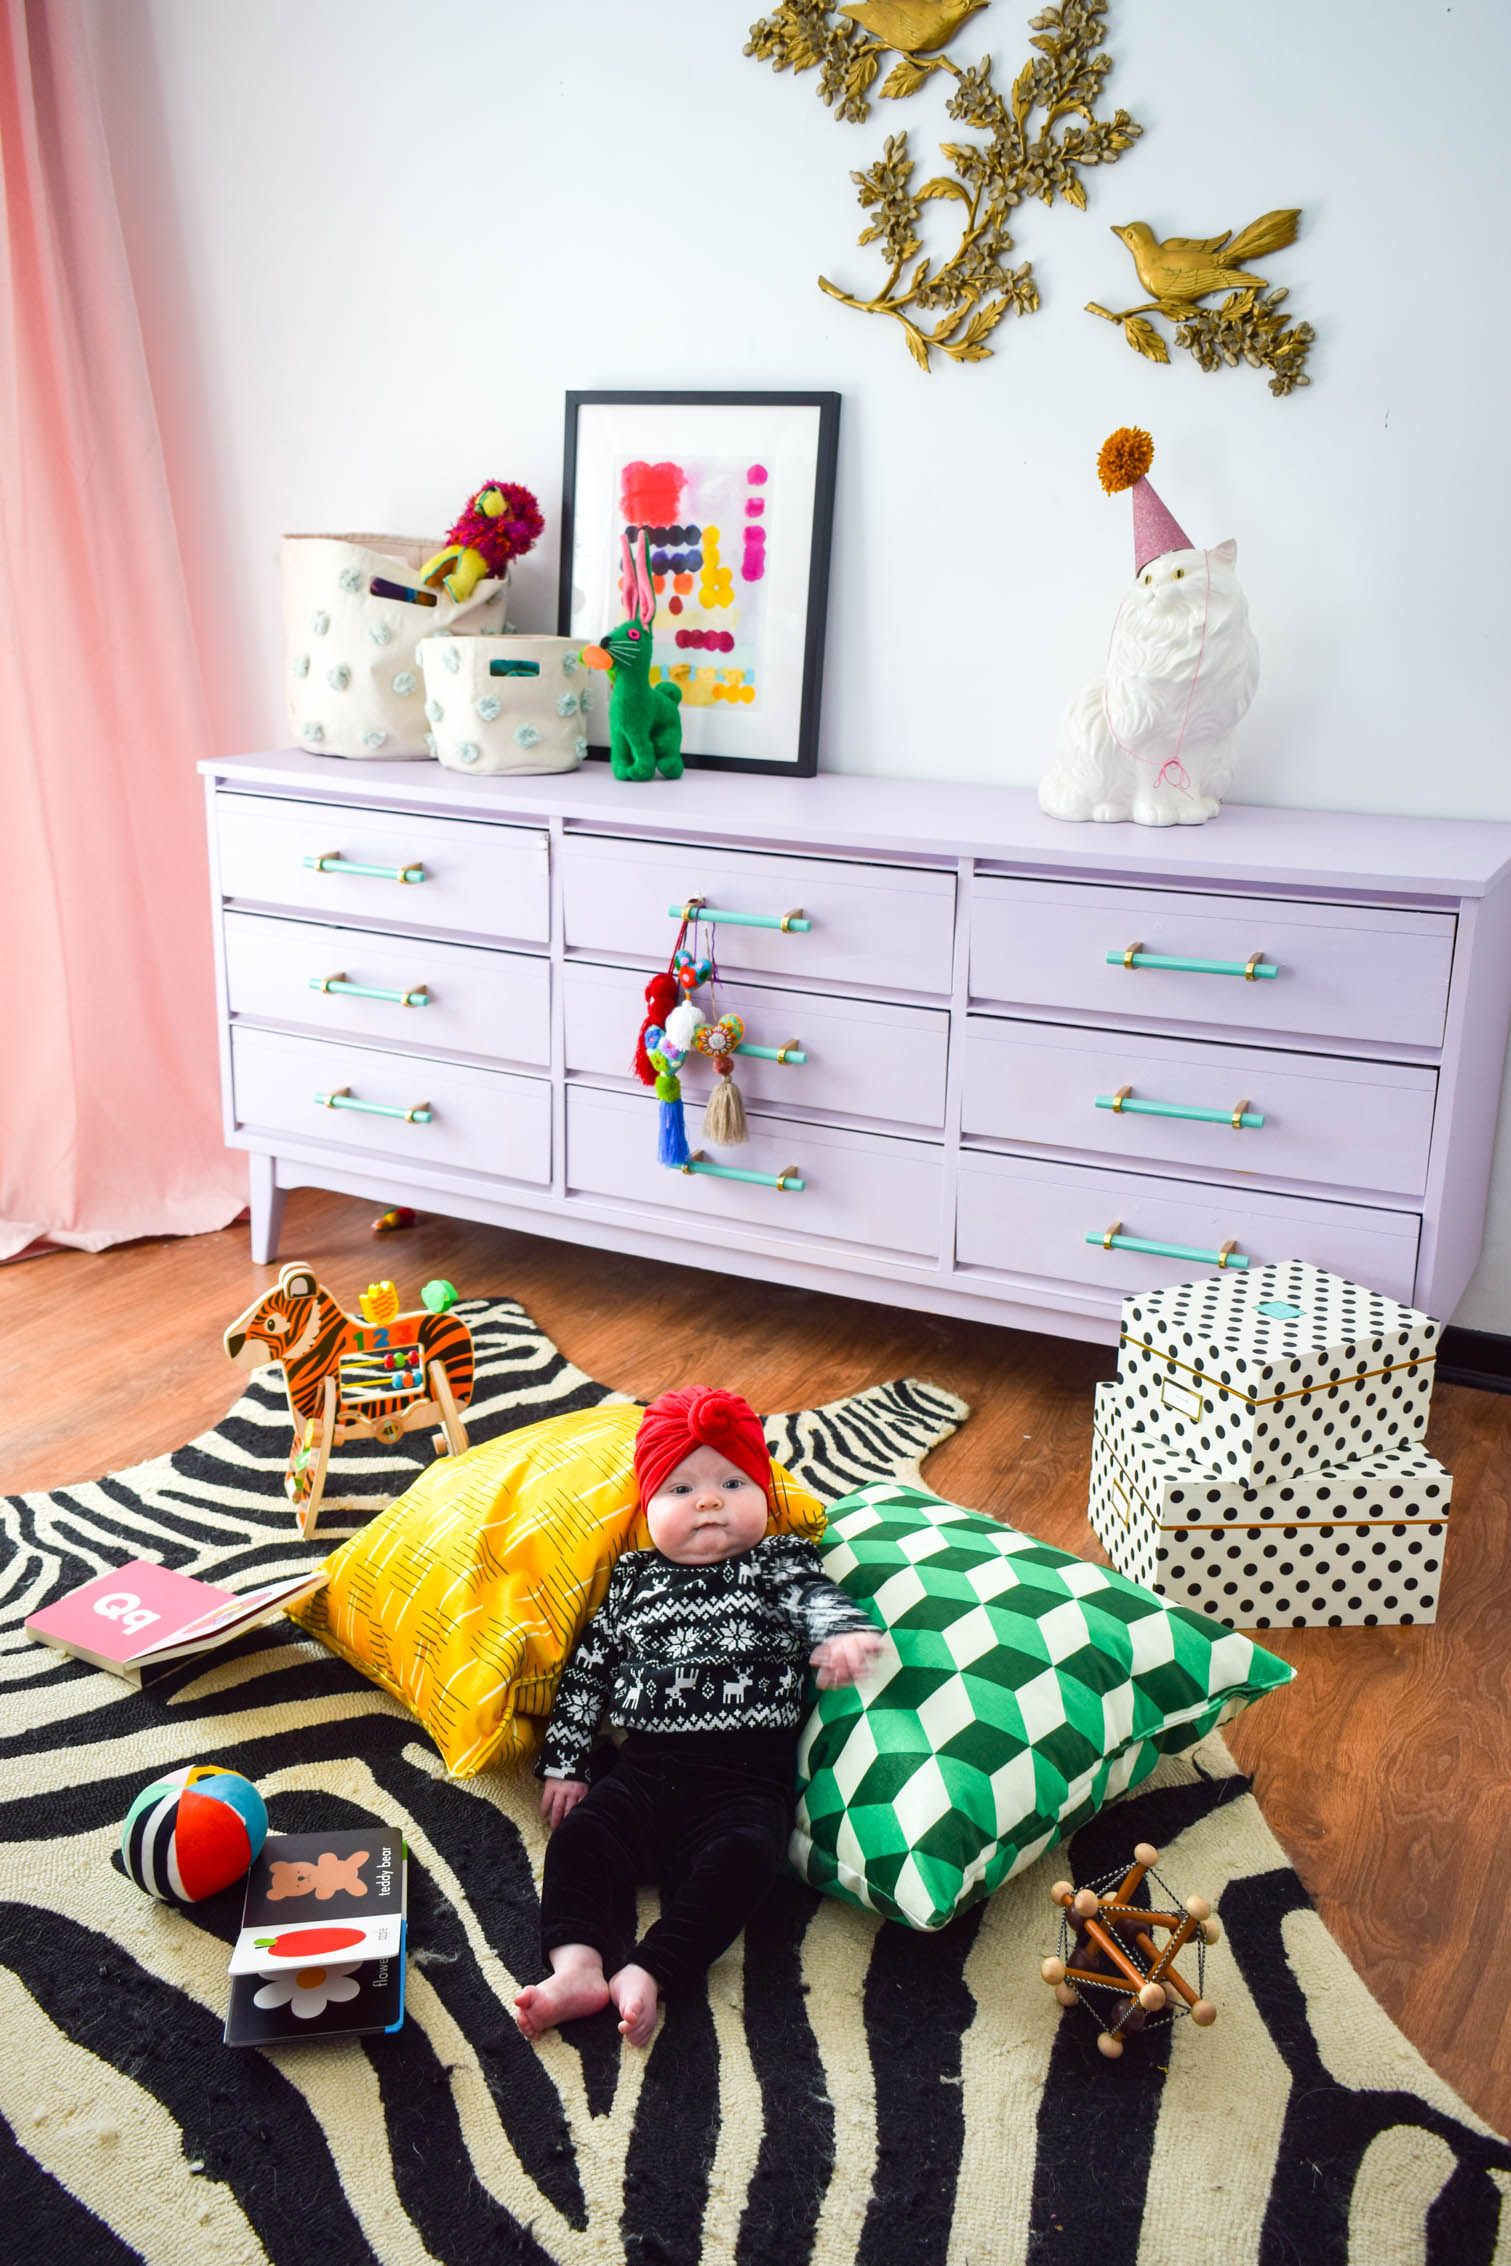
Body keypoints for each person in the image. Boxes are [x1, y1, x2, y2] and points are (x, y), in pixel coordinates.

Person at [512, 1385, 883, 2047]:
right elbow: (587, 1671)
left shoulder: (779, 1563)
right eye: (679, 1490)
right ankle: (576, 1966)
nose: (708, 1500)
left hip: (743, 1783)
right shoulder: (631, 1580)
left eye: (732, 1482)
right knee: (579, 1840)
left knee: (745, 1861)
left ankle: (652, 1970)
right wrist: (565, 1761)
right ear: (646, 1507)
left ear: (764, 1498)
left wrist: (840, 1635)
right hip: (642, 1771)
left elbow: (818, 1599)